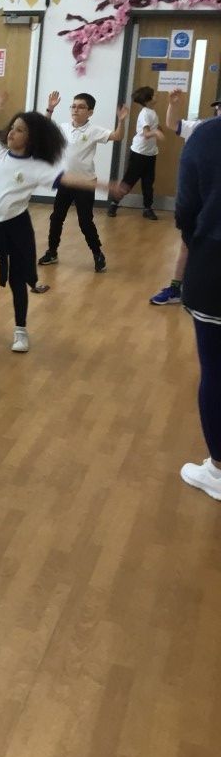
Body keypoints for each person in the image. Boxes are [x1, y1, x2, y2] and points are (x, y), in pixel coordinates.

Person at [0, 94, 110, 353]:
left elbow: (67, 179)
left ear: (31, 138)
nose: (12, 133)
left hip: (17, 227)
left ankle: (20, 331)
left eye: (20, 130)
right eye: (12, 128)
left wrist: (104, 185)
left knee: (18, 280)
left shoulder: (36, 166)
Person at [175, 117, 221, 501]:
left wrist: (201, 244)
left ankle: (218, 471)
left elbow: (186, 210)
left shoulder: (208, 136)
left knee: (217, 371)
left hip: (215, 266)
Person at [38, 90, 128, 273]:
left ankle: (98, 254)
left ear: (90, 112)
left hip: (86, 183)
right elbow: (44, 128)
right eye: (73, 106)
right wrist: (50, 108)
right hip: (66, 182)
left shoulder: (94, 131)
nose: (75, 110)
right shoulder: (63, 127)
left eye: (81, 107)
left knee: (85, 221)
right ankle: (52, 252)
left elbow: (117, 136)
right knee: (56, 218)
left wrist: (121, 121)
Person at [150, 92, 221, 305]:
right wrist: (173, 104)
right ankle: (176, 288)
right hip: (204, 202)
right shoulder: (201, 129)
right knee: (188, 243)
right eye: (219, 107)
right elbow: (173, 124)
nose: (219, 111)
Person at [108, 86, 162, 220]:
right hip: (139, 153)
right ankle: (114, 204)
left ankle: (147, 209)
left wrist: (158, 128)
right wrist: (156, 132)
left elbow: (153, 127)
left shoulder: (152, 112)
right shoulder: (145, 113)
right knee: (129, 181)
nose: (156, 96)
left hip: (150, 154)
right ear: (148, 99)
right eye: (154, 94)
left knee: (148, 183)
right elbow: (146, 134)